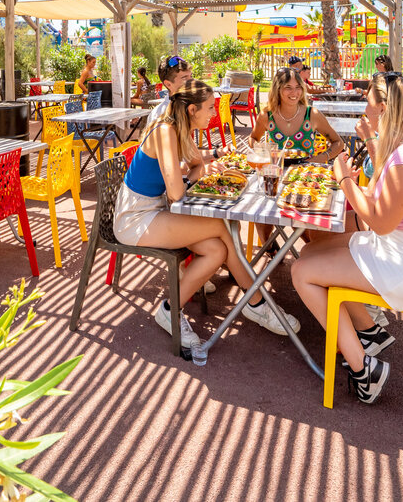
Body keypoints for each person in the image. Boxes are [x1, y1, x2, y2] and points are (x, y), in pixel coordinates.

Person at [290, 74, 403, 405]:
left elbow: (381, 222)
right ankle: (368, 334)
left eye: (367, 104)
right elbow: (385, 187)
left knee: (302, 271)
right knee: (312, 249)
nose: (363, 109)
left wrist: (345, 182)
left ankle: (363, 368)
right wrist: (370, 144)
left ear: (383, 108)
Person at [114, 79, 301, 349]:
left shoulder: (180, 128)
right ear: (192, 110)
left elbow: (195, 164)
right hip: (136, 217)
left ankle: (170, 309)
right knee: (221, 228)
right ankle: (256, 302)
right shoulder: (166, 131)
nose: (215, 113)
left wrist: (198, 169)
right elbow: (178, 192)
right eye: (210, 108)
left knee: (216, 250)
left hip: (158, 209)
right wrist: (194, 175)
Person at [251, 68, 344, 162]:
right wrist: (261, 153)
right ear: (277, 89)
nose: (294, 93)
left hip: (304, 174)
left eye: (298, 87)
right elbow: (253, 138)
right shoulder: (267, 115)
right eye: (288, 87)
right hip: (274, 173)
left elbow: (338, 143)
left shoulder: (312, 114)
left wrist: (317, 160)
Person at [147, 55, 193, 124]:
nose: (192, 81)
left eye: (191, 76)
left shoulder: (191, 106)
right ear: (168, 84)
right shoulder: (160, 115)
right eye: (184, 77)